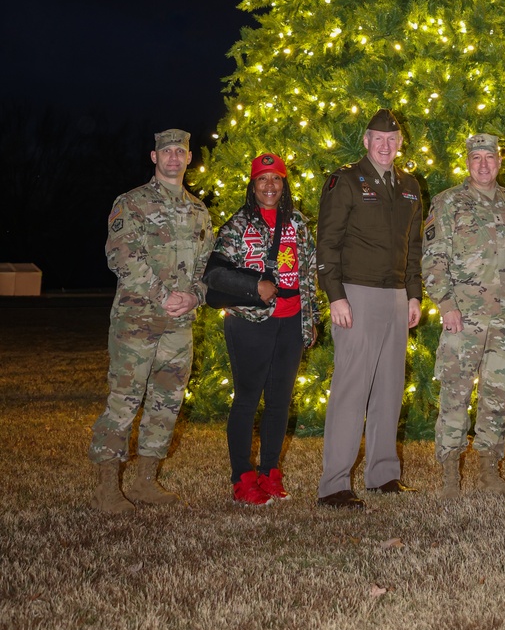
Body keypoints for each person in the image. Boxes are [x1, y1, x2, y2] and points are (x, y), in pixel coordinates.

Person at [89, 127, 214, 513]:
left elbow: (208, 266)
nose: (174, 157)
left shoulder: (199, 211)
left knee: (167, 401)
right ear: (154, 157)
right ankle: (107, 487)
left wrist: (194, 296)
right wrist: (165, 297)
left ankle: (145, 481)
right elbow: (122, 257)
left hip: (179, 325)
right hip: (136, 321)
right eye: (167, 151)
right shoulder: (131, 203)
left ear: (190, 158)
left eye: (181, 151)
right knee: (124, 400)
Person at [315, 109, 423, 508]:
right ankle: (335, 484)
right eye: (378, 138)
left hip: (396, 296)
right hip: (355, 294)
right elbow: (326, 243)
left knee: (390, 389)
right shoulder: (345, 181)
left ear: (400, 144)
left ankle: (382, 474)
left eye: (392, 139)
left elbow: (414, 248)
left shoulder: (410, 186)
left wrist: (413, 294)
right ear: (366, 141)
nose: (385, 145)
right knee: (351, 390)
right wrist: (335, 295)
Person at [205, 153, 319, 505]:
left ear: (284, 185)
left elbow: (309, 273)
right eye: (262, 180)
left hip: (291, 319)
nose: (269, 186)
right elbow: (214, 272)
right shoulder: (239, 225)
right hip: (250, 321)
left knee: (280, 400)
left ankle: (270, 472)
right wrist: (256, 285)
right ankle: (242, 477)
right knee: (248, 399)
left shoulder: (298, 223)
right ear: (252, 186)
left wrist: (310, 317)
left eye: (276, 179)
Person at [422, 132, 505, 497]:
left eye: (490, 158)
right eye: (476, 158)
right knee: (455, 393)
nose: (483, 164)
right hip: (463, 316)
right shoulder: (448, 202)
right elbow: (434, 259)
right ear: (467, 162)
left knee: (497, 394)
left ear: (500, 161)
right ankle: (450, 473)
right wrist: (445, 305)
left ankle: (488, 471)